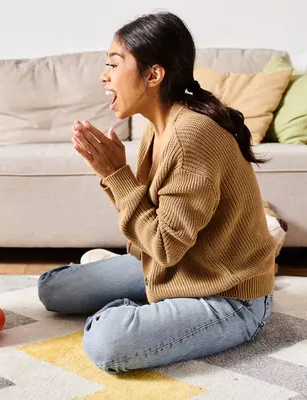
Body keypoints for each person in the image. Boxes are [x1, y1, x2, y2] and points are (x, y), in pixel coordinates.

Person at [37, 11, 278, 374]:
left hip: (229, 296)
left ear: (153, 74)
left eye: (114, 64)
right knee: (52, 290)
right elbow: (146, 245)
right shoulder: (158, 127)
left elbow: (164, 247)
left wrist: (117, 174)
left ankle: (148, 307)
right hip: (178, 266)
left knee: (108, 344)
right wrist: (116, 176)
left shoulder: (189, 135)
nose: (104, 75)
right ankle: (151, 298)